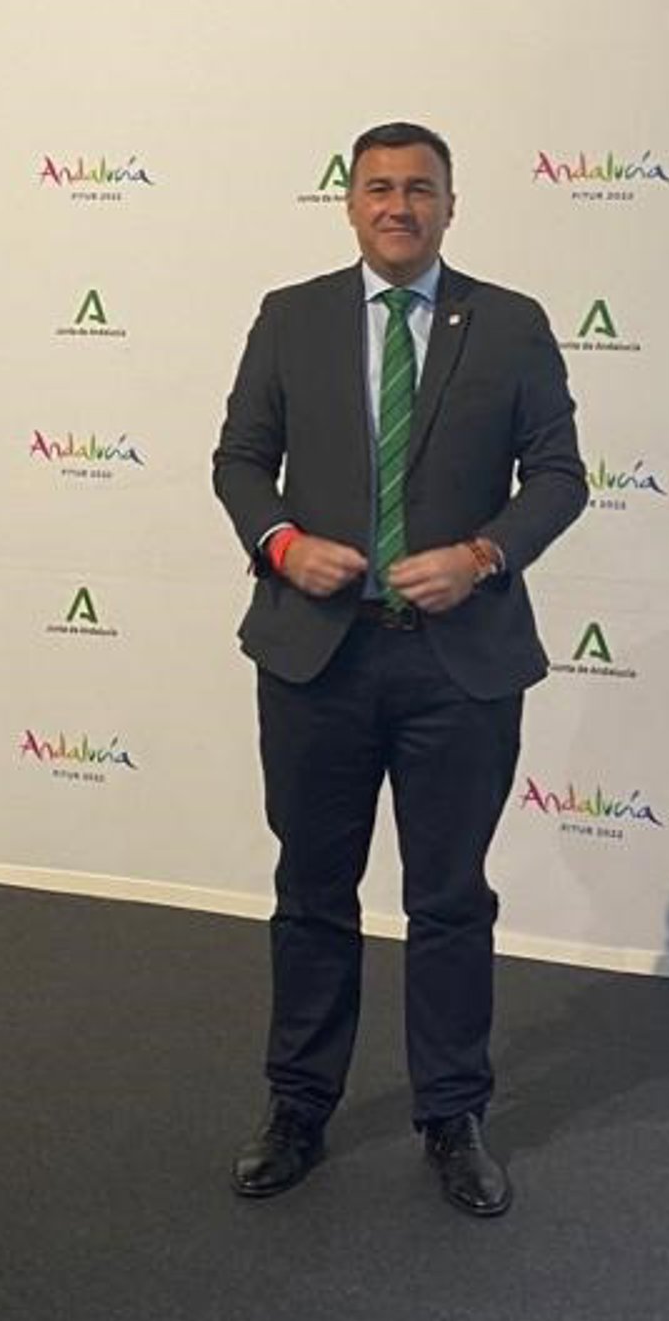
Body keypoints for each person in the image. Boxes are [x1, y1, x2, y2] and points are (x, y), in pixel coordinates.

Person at [212, 121, 588, 1216]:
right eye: (378, 187)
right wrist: (282, 543)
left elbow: (559, 476)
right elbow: (240, 461)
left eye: (420, 188)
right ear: (349, 203)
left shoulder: (510, 324)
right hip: (316, 657)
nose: (399, 206)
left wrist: (482, 556)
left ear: (450, 206)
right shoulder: (290, 317)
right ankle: (298, 1106)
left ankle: (453, 1115)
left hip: (458, 667)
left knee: (450, 898)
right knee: (312, 891)